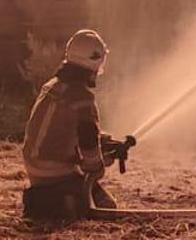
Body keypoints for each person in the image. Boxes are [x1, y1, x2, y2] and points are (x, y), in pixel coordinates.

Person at [20, 29, 123, 220]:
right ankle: (66, 202)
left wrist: (105, 142)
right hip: (55, 170)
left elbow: (63, 130)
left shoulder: (53, 85)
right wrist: (100, 165)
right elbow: (88, 144)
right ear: (97, 61)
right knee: (107, 208)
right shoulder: (82, 97)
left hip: (34, 166)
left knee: (99, 198)